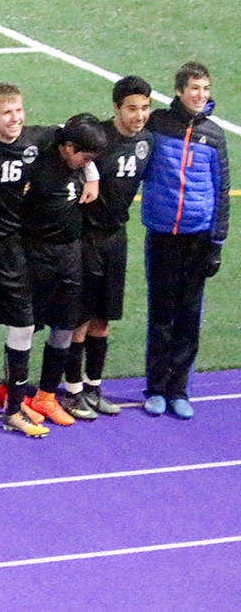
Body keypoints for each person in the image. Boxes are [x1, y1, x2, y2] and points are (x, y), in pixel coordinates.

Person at [0, 83, 98, 439]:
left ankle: (14, 409)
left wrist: (92, 174)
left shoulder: (36, 139)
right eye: (6, 113)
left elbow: (73, 133)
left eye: (18, 111)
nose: (14, 119)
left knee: (24, 327)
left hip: (12, 250)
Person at [141, 62, 229, 419]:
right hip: (162, 234)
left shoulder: (214, 135)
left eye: (205, 88)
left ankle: (179, 388)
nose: (200, 95)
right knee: (161, 313)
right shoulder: (159, 124)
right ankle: (156, 387)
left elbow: (221, 190)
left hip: (197, 239)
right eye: (194, 88)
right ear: (179, 90)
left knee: (189, 315)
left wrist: (217, 243)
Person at [67, 77, 153, 419]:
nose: (139, 115)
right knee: (80, 318)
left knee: (104, 317)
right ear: (116, 108)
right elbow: (66, 143)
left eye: (145, 108)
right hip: (87, 236)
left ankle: (93, 387)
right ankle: (72, 391)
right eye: (132, 108)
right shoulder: (98, 138)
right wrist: (90, 173)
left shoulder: (147, 140)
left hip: (117, 237)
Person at [21, 115, 108, 427]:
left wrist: (91, 171)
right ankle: (15, 401)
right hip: (36, 255)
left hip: (70, 255)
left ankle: (45, 396)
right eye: (84, 157)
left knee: (65, 327)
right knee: (24, 328)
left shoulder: (79, 161)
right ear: (68, 147)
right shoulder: (37, 156)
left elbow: (73, 132)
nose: (85, 163)